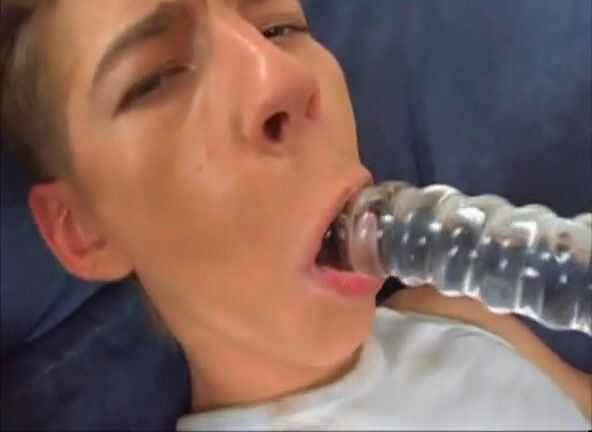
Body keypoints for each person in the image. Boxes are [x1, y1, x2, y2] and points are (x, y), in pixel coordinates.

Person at [1, 0, 590, 430]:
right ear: (83, 230)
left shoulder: (457, 315)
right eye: (155, 81)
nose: (284, 77)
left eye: (281, 28)